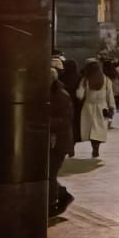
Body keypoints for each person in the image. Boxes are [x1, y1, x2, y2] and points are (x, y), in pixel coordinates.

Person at [48, 70, 75, 218]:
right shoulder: (49, 93)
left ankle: (53, 202)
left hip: (59, 142)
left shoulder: (61, 96)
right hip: (50, 141)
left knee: (50, 173)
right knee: (47, 173)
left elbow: (65, 119)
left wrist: (45, 121)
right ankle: (61, 195)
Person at [75, 60, 114, 159]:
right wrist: (111, 107)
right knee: (98, 129)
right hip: (102, 107)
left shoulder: (85, 80)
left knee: (90, 129)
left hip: (88, 106)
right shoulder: (106, 80)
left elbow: (79, 95)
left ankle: (94, 146)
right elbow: (110, 95)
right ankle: (96, 147)